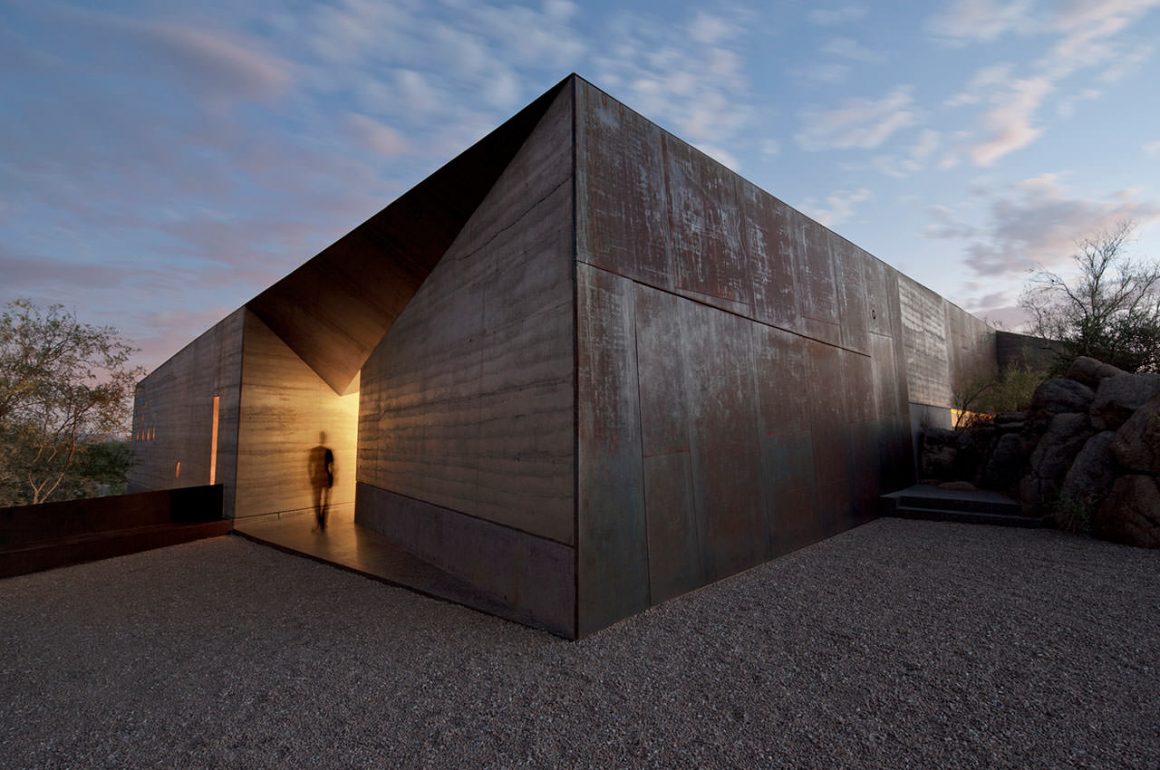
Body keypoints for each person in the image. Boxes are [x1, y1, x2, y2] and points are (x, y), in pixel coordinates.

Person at [309, 432, 335, 531]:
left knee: (318, 501)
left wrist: (311, 477)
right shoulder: (328, 451)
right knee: (325, 501)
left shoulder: (315, 451)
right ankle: (322, 523)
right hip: (325, 477)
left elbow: (310, 466)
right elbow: (332, 468)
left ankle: (320, 523)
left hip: (318, 477)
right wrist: (332, 478)